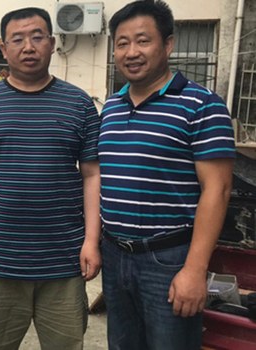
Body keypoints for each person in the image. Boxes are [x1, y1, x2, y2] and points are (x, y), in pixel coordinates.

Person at [0, 7, 102, 350]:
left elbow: (91, 175)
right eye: (17, 39)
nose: (28, 47)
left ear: (52, 43)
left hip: (63, 261)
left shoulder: (79, 105)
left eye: (37, 37)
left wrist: (91, 240)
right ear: (3, 48)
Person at [99, 1, 236, 349]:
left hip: (169, 260)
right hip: (116, 254)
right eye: (122, 42)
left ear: (168, 44)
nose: (131, 52)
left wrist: (194, 270)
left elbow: (217, 190)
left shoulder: (202, 105)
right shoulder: (112, 107)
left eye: (143, 41)